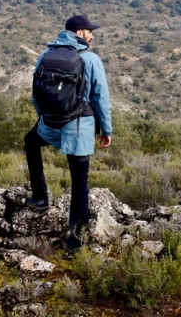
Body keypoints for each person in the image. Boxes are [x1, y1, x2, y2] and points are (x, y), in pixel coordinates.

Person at [24, 14, 112, 251]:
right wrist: (106, 129)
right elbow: (101, 98)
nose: (92, 35)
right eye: (89, 31)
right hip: (79, 129)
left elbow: (36, 93)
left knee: (30, 142)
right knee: (79, 182)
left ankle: (41, 197)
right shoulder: (91, 59)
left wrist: (45, 117)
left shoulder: (45, 55)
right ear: (79, 33)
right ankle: (76, 240)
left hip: (50, 124)